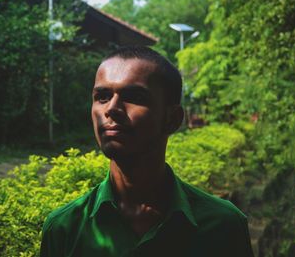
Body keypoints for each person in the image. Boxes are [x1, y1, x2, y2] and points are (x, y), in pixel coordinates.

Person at [40, 46, 254, 257]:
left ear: (172, 119)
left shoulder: (223, 226)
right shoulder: (64, 229)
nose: (111, 109)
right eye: (102, 96)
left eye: (134, 97)